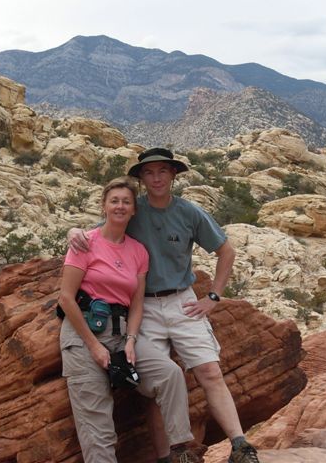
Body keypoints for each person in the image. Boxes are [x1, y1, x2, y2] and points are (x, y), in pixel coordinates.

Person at [68, 148, 262, 463]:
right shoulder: (132, 209)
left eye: (162, 171)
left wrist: (213, 296)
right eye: (149, 172)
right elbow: (98, 231)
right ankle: (171, 456)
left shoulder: (190, 212)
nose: (156, 178)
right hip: (142, 306)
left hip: (183, 302)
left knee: (210, 371)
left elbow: (226, 252)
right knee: (153, 383)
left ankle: (240, 446)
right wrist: (73, 231)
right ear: (141, 178)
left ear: (173, 175)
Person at [59, 176, 202, 463]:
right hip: (82, 337)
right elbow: (65, 298)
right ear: (104, 206)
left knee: (170, 374)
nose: (120, 206)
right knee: (99, 427)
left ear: (134, 209)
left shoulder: (138, 251)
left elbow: (136, 304)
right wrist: (94, 346)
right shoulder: (85, 243)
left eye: (126, 202)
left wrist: (132, 341)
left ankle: (179, 450)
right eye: (114, 201)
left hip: (122, 334)